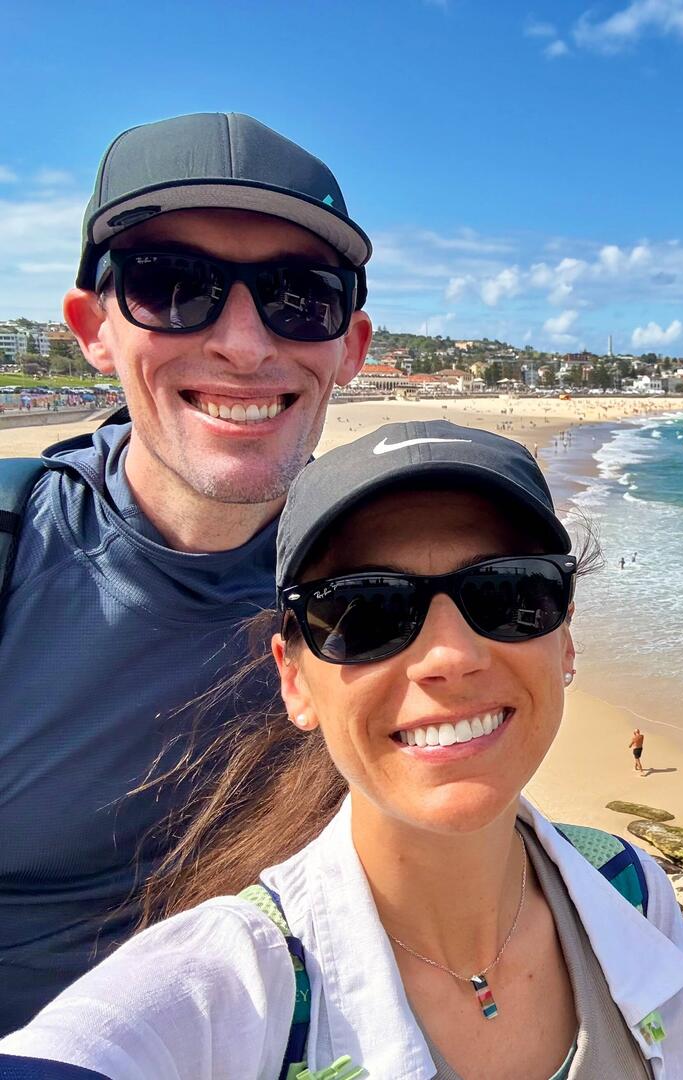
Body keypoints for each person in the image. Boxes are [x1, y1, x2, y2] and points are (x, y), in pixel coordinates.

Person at [0, 421, 683, 1078]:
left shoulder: (631, 891)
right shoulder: (222, 991)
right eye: (366, 609)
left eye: (511, 594)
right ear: (295, 681)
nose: (450, 655)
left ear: (564, 639)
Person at [0, 112, 373, 1032]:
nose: (245, 345)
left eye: (300, 296)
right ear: (92, 328)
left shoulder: (388, 580)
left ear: (349, 347)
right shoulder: (14, 557)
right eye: (175, 287)